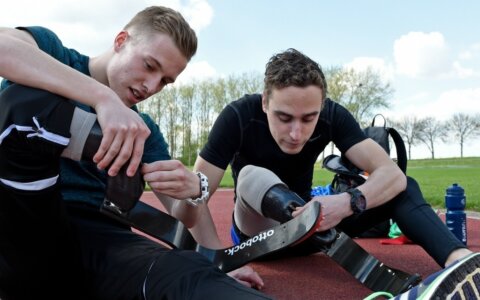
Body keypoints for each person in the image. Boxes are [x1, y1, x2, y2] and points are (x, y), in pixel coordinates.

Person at [145, 48, 479, 298]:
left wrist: (348, 203)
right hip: (258, 234)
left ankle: (462, 263)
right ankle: (295, 212)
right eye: (284, 117)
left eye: (309, 119)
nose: (296, 133)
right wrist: (217, 266)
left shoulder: (333, 115)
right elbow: (198, 193)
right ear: (265, 102)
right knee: (250, 174)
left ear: (322, 107)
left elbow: (392, 175)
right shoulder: (237, 116)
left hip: (314, 229)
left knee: (405, 186)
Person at [0, 6, 270, 300]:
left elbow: (181, 211)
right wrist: (102, 98)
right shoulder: (54, 53)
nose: (152, 86)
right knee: (26, 106)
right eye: (150, 66)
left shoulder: (144, 129)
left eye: (165, 81)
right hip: (23, 224)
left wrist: (194, 192)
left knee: (187, 273)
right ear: (120, 41)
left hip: (102, 240)